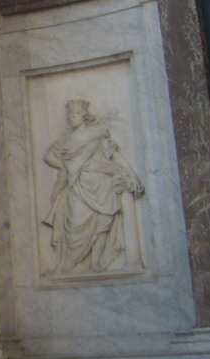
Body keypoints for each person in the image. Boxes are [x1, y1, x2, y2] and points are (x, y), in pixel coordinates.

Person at [42, 100, 144, 276]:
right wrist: (67, 167)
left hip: (101, 183)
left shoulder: (97, 135)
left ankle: (96, 263)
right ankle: (69, 264)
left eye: (74, 115)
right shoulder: (67, 139)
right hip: (79, 184)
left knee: (103, 223)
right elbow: (49, 157)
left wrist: (133, 176)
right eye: (69, 116)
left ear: (83, 116)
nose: (70, 119)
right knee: (75, 224)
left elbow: (116, 156)